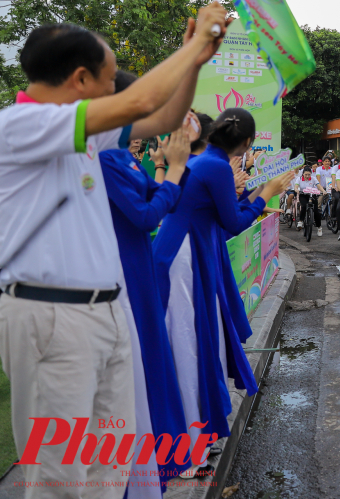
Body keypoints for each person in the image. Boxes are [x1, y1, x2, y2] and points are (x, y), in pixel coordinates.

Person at [0, 4, 229, 496]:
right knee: (60, 478)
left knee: (112, 470)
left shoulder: (89, 136)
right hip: (52, 317)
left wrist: (196, 62)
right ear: (80, 79)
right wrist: (193, 44)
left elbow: (165, 115)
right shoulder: (20, 126)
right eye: (108, 79)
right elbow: (139, 99)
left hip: (107, 312)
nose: (115, 89)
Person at [154, 108, 292, 476]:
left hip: (187, 254)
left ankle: (200, 436)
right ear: (247, 144)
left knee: (202, 346)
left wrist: (254, 192)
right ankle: (186, 453)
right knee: (190, 350)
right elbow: (234, 222)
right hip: (184, 261)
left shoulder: (209, 162)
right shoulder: (214, 166)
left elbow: (224, 214)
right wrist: (268, 192)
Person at [100, 72, 196, 493]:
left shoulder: (119, 156)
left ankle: (162, 458)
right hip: (124, 268)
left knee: (151, 361)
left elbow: (152, 202)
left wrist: (164, 171)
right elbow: (145, 214)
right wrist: (172, 169)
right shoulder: (105, 157)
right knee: (137, 370)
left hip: (136, 262)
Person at [295, 166, 324, 236]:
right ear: (303, 174)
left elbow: (318, 185)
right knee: (304, 206)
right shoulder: (299, 179)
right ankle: (301, 221)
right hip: (303, 195)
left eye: (309, 174)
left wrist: (323, 191)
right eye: (306, 175)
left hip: (312, 195)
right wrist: (297, 190)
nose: (307, 176)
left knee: (316, 211)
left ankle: (319, 227)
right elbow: (296, 186)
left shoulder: (313, 179)